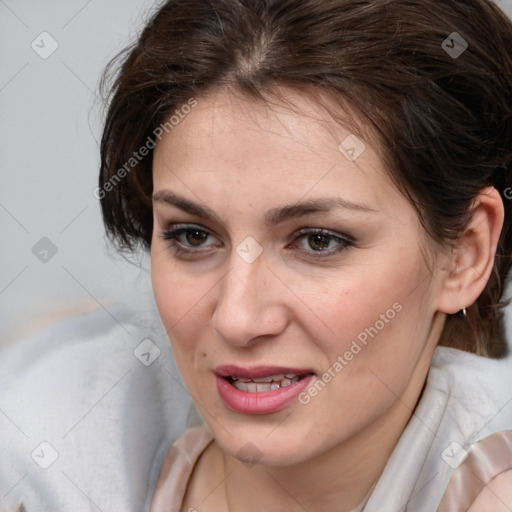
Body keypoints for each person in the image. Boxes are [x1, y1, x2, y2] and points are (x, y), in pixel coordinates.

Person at [96, 0, 512, 510]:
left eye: (319, 240)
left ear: (465, 255)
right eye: (193, 236)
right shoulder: (52, 462)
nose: (237, 319)